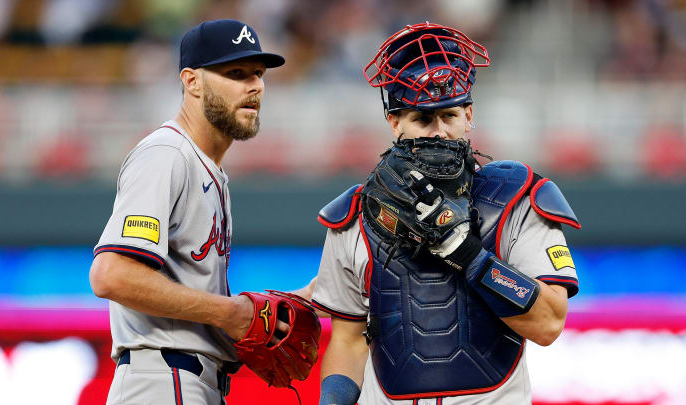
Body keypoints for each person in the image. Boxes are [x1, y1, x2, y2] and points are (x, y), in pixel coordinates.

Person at [312, 22, 581, 405]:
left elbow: (549, 322)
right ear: (394, 122)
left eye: (449, 115)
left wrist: (469, 255)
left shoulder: (518, 198)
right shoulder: (358, 212)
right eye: (422, 119)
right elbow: (347, 339)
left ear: (469, 115)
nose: (438, 131)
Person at [89, 19, 315, 405]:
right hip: (163, 379)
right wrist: (231, 313)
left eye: (258, 74)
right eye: (236, 73)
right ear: (192, 81)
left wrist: (306, 298)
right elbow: (112, 275)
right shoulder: (166, 155)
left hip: (190, 380)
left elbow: (202, 300)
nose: (255, 86)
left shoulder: (209, 169)